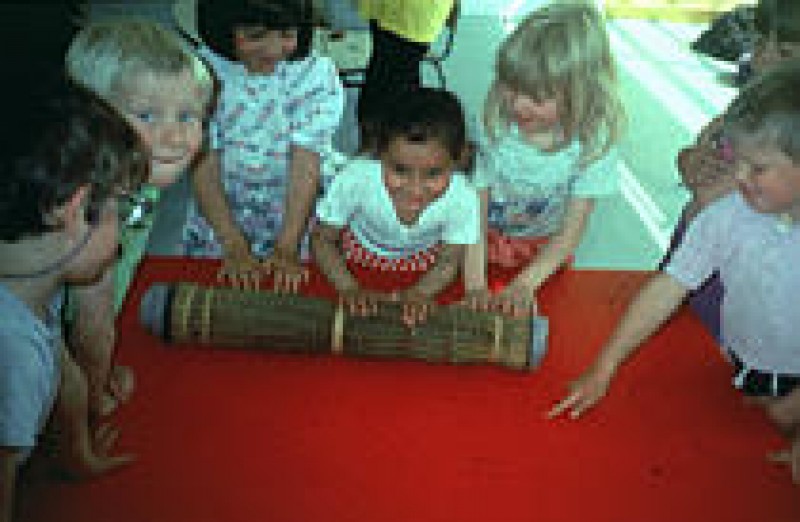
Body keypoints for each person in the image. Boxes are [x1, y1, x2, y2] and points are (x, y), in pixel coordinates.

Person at [549, 59, 800, 486]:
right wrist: (606, 364)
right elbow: (668, 286)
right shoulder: (729, 216)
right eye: (738, 161)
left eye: (757, 168)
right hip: (745, 361)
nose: (738, 177)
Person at [0, 84, 148, 521]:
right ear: (75, 209)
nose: (123, 227)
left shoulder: (32, 285)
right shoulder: (13, 354)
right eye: (124, 209)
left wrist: (77, 454)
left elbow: (65, 373)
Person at [64, 18, 214, 417]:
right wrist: (91, 401)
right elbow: (90, 324)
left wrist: (96, 367)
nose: (175, 138)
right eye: (147, 116)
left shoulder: (131, 182)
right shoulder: (96, 209)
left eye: (188, 116)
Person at [462, 1, 624, 317]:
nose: (518, 105)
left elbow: (570, 232)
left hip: (544, 254)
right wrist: (475, 287)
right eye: (511, 87)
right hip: (477, 246)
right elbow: (473, 216)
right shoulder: (493, 124)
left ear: (582, 93)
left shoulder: (594, 143)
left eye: (537, 97)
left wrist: (525, 284)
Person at [184, 0, 345, 291]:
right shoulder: (200, 73)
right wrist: (232, 243)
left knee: (311, 281)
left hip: (298, 197)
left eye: (287, 33)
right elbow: (202, 162)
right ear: (222, 27)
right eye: (255, 35)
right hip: (224, 198)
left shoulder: (314, 75)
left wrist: (287, 247)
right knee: (216, 284)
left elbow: (305, 161)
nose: (273, 51)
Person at [663, 0, 800, 340]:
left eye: (783, 52)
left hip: (738, 281)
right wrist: (690, 160)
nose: (758, 59)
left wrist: (721, 187)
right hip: (689, 259)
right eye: (757, 43)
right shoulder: (747, 109)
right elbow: (702, 145)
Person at [311, 87, 479, 327]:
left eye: (433, 174)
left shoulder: (463, 197)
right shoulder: (356, 177)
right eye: (400, 170)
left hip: (423, 267)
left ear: (458, 159)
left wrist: (421, 293)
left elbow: (449, 260)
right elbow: (322, 240)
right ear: (379, 152)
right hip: (354, 260)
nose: (415, 189)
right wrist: (348, 288)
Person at [355, 0, 457, 152]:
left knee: (389, 83)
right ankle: (382, 151)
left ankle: (382, 152)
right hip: (392, 11)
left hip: (414, 12)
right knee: (386, 76)